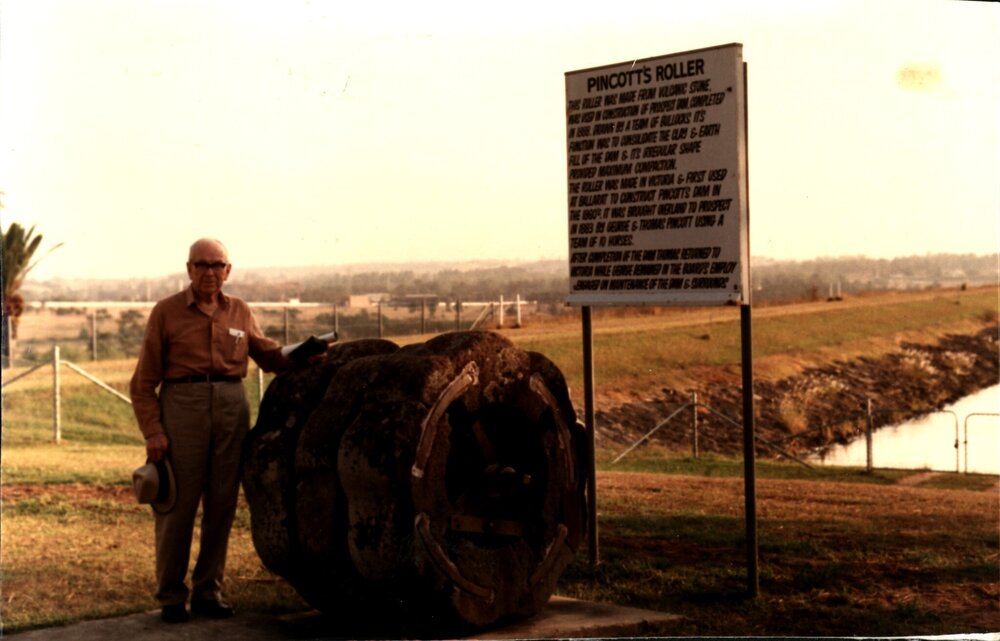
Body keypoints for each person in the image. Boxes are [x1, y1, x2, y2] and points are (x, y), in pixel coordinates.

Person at [130, 238, 293, 624]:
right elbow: (142, 383)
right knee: (178, 507)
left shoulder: (238, 310)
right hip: (182, 408)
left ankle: (208, 591)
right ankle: (171, 595)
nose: (209, 272)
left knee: (221, 505)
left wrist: (303, 354)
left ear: (228, 270)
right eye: (201, 265)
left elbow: (267, 355)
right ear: (188, 269)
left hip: (230, 406)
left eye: (216, 265)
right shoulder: (166, 312)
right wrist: (154, 432)